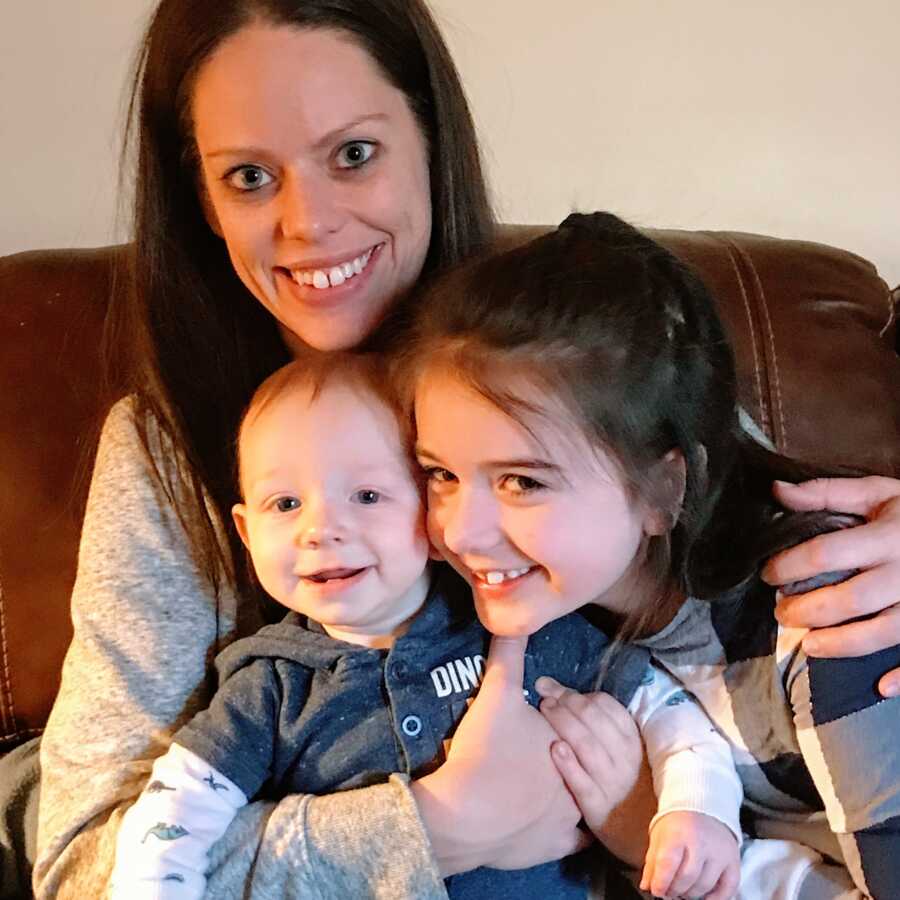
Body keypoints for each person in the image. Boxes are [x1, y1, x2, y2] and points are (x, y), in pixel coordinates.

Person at [20, 0, 900, 897]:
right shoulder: (166, 453)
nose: (308, 223)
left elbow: (737, 508)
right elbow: (81, 863)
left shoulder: (566, 351)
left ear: (432, 145)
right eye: (249, 176)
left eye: (353, 154)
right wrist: (436, 826)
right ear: (200, 201)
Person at [111, 352, 741, 900]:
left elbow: (673, 714)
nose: (320, 530)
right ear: (247, 534)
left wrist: (693, 810)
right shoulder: (269, 686)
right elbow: (171, 816)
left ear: (434, 514)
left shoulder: (517, 622)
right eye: (285, 504)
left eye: (366, 496)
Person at [401, 211, 900, 899]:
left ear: (666, 488)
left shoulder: (832, 611)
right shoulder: (556, 614)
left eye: (522, 481)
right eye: (441, 474)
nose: (459, 531)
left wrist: (647, 836)